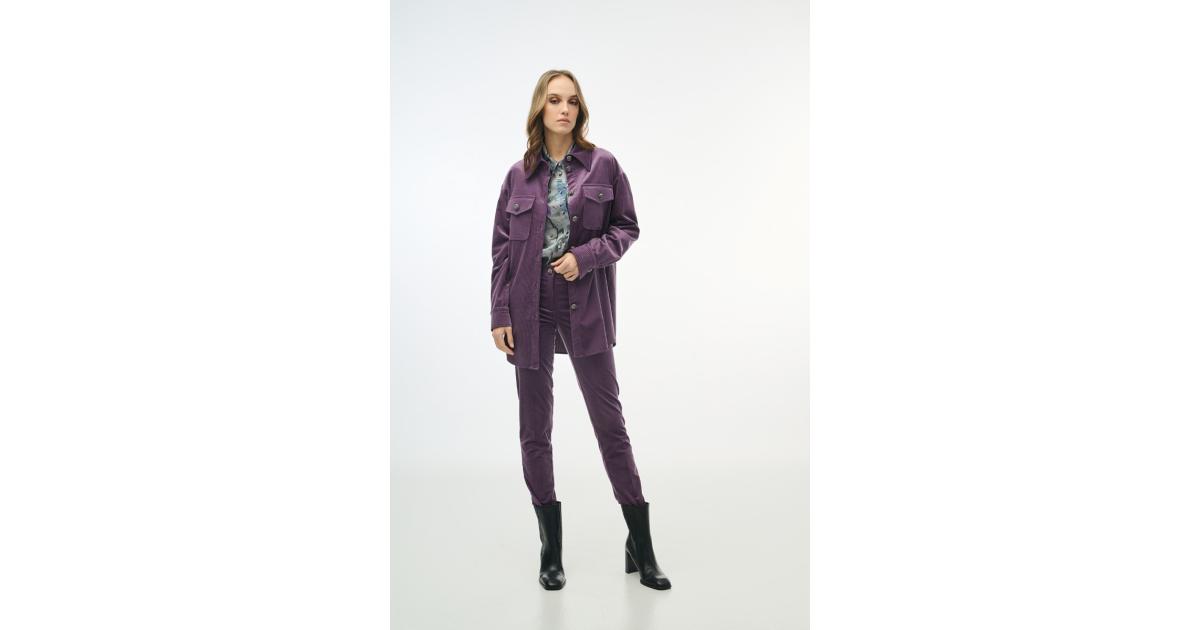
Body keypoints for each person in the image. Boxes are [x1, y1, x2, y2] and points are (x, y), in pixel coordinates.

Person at [489, 69, 671, 591]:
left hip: (584, 300)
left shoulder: (604, 165)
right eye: (554, 100)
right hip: (529, 305)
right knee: (534, 428)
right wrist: (500, 313)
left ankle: (641, 545)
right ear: (540, 108)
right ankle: (550, 550)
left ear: (580, 110)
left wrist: (585, 257)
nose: (564, 109)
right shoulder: (517, 176)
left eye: (572, 101)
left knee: (609, 423)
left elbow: (626, 227)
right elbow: (501, 251)